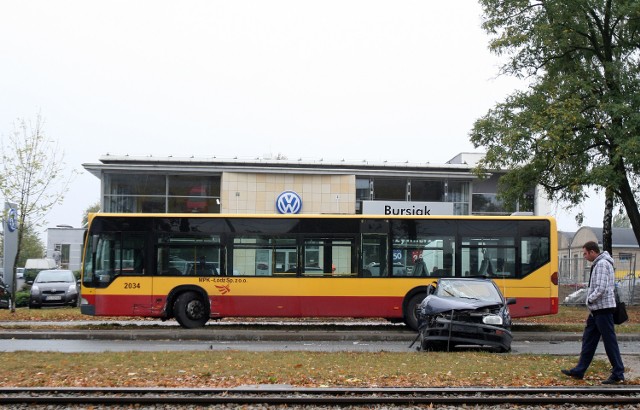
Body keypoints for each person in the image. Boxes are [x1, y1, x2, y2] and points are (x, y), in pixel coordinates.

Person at [561, 241, 624, 384]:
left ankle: (618, 373)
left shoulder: (601, 264)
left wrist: (589, 299)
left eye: (585, 253)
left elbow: (601, 288)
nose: (584, 256)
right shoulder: (600, 263)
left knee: (609, 342)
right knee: (588, 340)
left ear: (592, 252)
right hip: (597, 310)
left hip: (602, 309)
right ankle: (579, 370)